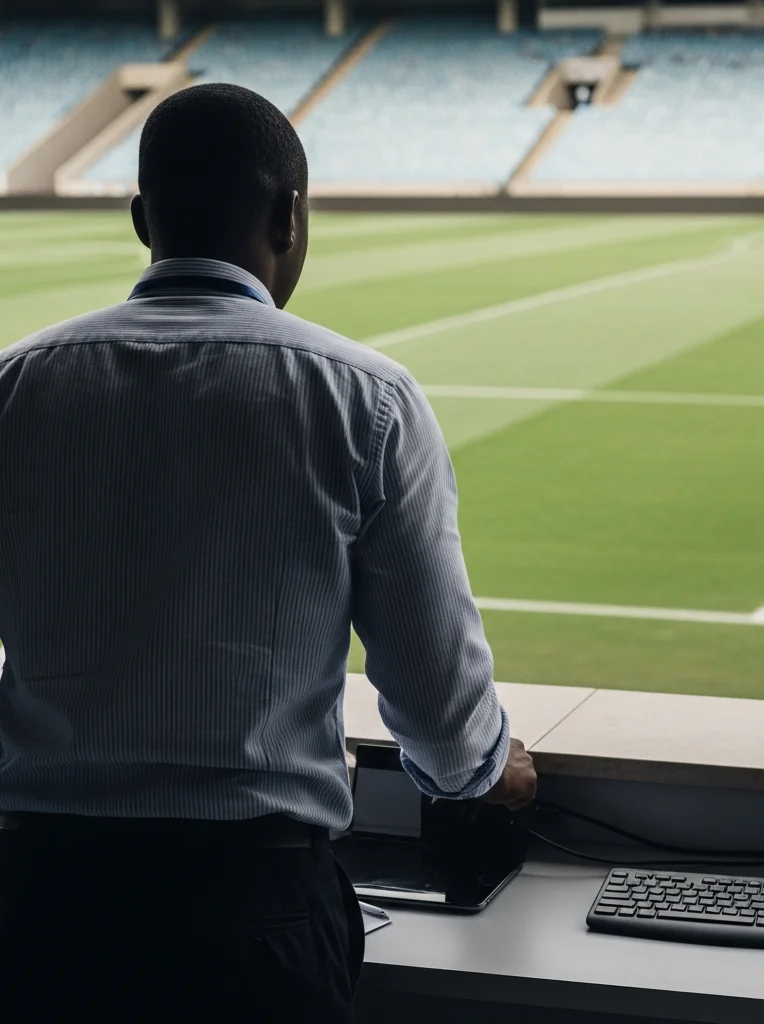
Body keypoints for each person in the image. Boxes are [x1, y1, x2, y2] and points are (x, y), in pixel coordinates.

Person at [0, 83, 537, 1022]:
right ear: (290, 216)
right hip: (253, 916)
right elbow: (441, 711)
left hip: (39, 909)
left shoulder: (17, 385)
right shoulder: (366, 398)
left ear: (142, 220)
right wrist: (492, 772)